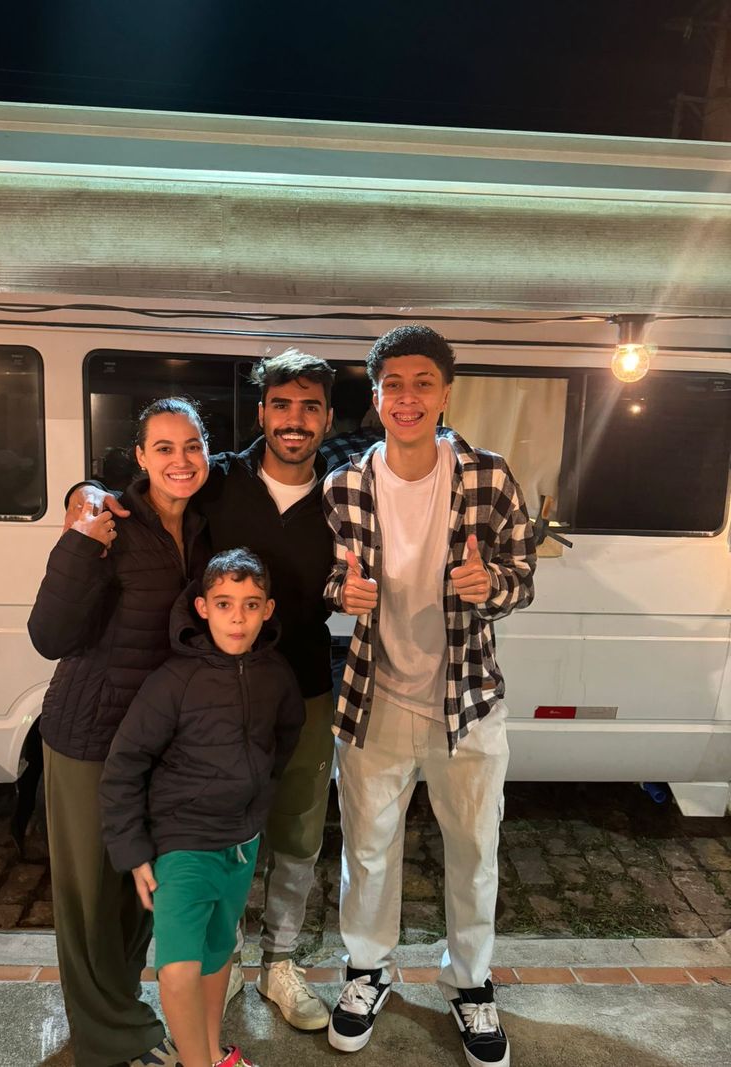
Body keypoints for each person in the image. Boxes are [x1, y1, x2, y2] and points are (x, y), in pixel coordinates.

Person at [65, 350, 337, 1031]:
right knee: (219, 821)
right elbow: (151, 480)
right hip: (210, 688)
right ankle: (228, 954)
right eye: (281, 404)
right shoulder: (222, 479)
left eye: (310, 406)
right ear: (261, 413)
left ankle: (281, 960)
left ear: (329, 418)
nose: (295, 420)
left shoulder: (345, 488)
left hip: (301, 687)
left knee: (297, 829)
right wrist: (85, 490)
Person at [322, 325, 536, 1067]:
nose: (406, 397)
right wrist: (341, 591)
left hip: (468, 701)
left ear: (446, 393)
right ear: (377, 395)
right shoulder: (344, 486)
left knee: (474, 852)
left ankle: (469, 981)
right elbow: (333, 576)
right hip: (373, 698)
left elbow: (521, 575)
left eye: (422, 383)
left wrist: (490, 584)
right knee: (365, 852)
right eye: (393, 384)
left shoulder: (488, 476)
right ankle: (367, 971)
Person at [28, 396, 211, 1067]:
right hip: (88, 736)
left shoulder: (205, 528)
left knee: (137, 891)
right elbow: (49, 635)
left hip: (157, 746)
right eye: (163, 447)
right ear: (139, 457)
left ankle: (119, 1009)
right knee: (89, 899)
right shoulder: (110, 522)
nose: (180, 460)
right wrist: (80, 535)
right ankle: (109, 1039)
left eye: (192, 445)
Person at [100, 548, 305, 1067]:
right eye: (224, 603)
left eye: (251, 605)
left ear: (268, 609)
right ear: (202, 607)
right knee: (178, 968)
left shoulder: (277, 675)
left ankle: (213, 1053)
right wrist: (133, 851)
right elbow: (125, 763)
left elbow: (285, 738)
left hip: (240, 844)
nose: (238, 618)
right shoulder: (173, 681)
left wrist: (257, 800)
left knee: (217, 953)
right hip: (182, 845)